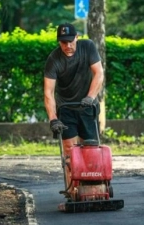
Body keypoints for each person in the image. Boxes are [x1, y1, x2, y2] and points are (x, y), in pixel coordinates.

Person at [43, 23, 104, 192]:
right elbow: (48, 92)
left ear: (77, 38)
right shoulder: (54, 59)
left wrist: (90, 97)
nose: (68, 46)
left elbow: (98, 73)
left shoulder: (88, 47)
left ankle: (92, 188)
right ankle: (73, 190)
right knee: (70, 150)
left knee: (90, 148)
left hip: (87, 106)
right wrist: (53, 119)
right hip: (66, 108)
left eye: (71, 41)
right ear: (58, 42)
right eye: (63, 43)